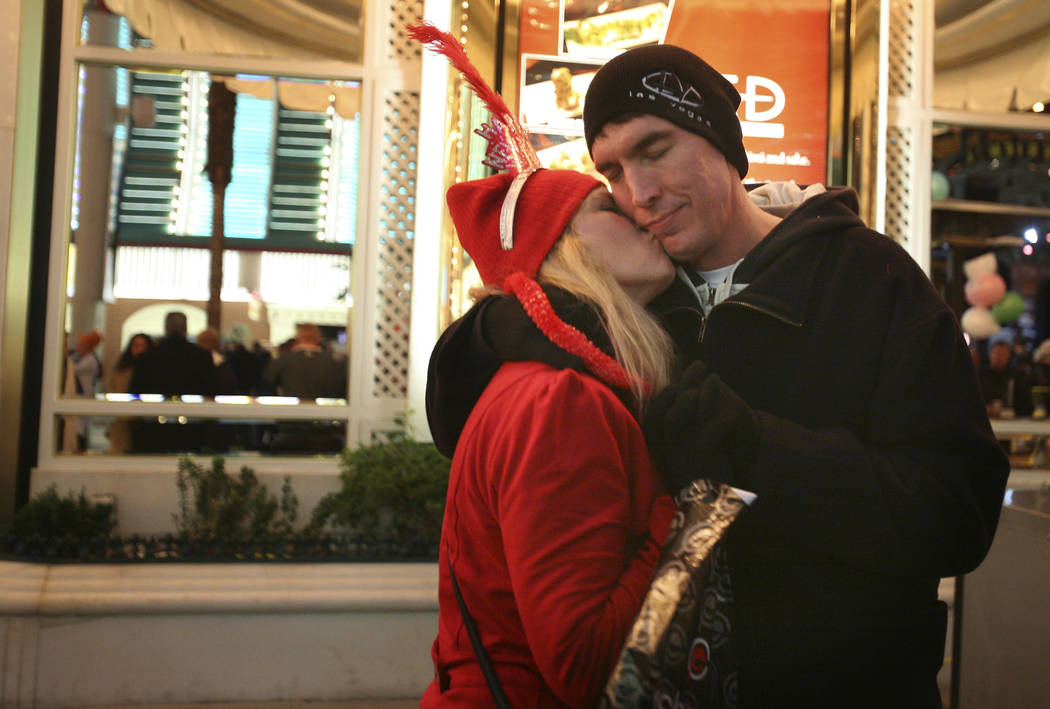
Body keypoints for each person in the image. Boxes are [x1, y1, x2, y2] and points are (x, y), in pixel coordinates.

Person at [583, 44, 1011, 707]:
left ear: (722, 141)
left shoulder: (871, 277)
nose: (637, 194)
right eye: (611, 170)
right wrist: (513, 317)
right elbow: (455, 406)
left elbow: (958, 515)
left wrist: (762, 452)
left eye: (655, 149)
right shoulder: (636, 296)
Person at [411, 22, 678, 708]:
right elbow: (584, 660)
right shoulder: (564, 398)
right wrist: (676, 517)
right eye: (604, 204)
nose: (635, 208)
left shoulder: (549, 378)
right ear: (567, 253)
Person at [129, 311, 217, 452]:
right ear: (186, 328)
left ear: (165, 328)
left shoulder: (147, 357)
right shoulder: (201, 356)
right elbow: (211, 391)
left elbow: (135, 392)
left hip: (153, 427)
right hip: (191, 426)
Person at [262, 323, 346, 399]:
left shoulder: (284, 359)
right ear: (318, 338)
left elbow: (267, 384)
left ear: (298, 337)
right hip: (324, 411)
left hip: (290, 411)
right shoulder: (333, 362)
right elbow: (340, 388)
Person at [105, 332, 153, 453]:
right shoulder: (122, 369)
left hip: (143, 420)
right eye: (135, 345)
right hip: (122, 419)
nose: (139, 349)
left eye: (142, 346)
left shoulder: (151, 371)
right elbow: (114, 388)